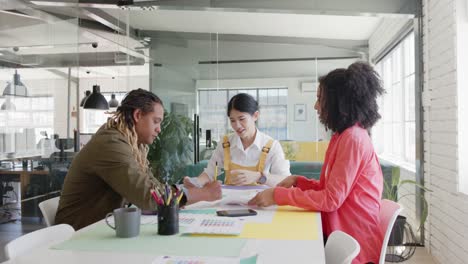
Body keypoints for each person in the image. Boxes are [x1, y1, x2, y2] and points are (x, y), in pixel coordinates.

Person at [248, 62, 385, 264]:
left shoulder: (353, 139)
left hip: (353, 244)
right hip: (340, 232)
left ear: (339, 102)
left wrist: (278, 195)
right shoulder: (342, 136)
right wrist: (298, 181)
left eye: (320, 99)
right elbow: (330, 190)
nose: (316, 106)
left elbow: (331, 200)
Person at [55, 89, 221, 230]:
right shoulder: (111, 143)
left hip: (104, 226)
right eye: (156, 121)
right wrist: (202, 193)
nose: (159, 129)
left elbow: (152, 187)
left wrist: (181, 191)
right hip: (80, 235)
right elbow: (149, 198)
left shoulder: (131, 142)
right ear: (137, 115)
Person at [184, 93, 290, 188]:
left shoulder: (272, 145)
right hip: (229, 204)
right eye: (232, 120)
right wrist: (196, 183)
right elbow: (210, 173)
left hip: (260, 203)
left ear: (255, 116)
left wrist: (259, 177)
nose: (237, 126)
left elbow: (286, 181)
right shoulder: (225, 143)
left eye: (242, 119)